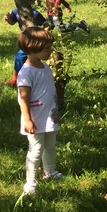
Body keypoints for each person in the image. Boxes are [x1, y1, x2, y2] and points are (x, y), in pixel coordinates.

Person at [16, 27, 63, 196]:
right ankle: (30, 182)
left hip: (49, 116)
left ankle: (49, 172)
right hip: (35, 119)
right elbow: (23, 98)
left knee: (50, 146)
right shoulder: (26, 72)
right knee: (35, 151)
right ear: (32, 49)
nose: (50, 51)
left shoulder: (44, 67)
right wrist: (27, 119)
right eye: (47, 48)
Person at [4, 0, 47, 86]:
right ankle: (21, 78)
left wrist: (42, 34)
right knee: (25, 58)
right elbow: (12, 21)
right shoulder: (16, 11)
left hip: (34, 40)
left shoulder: (35, 14)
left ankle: (16, 79)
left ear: (32, 1)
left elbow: (46, 24)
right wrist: (7, 19)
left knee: (20, 57)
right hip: (25, 39)